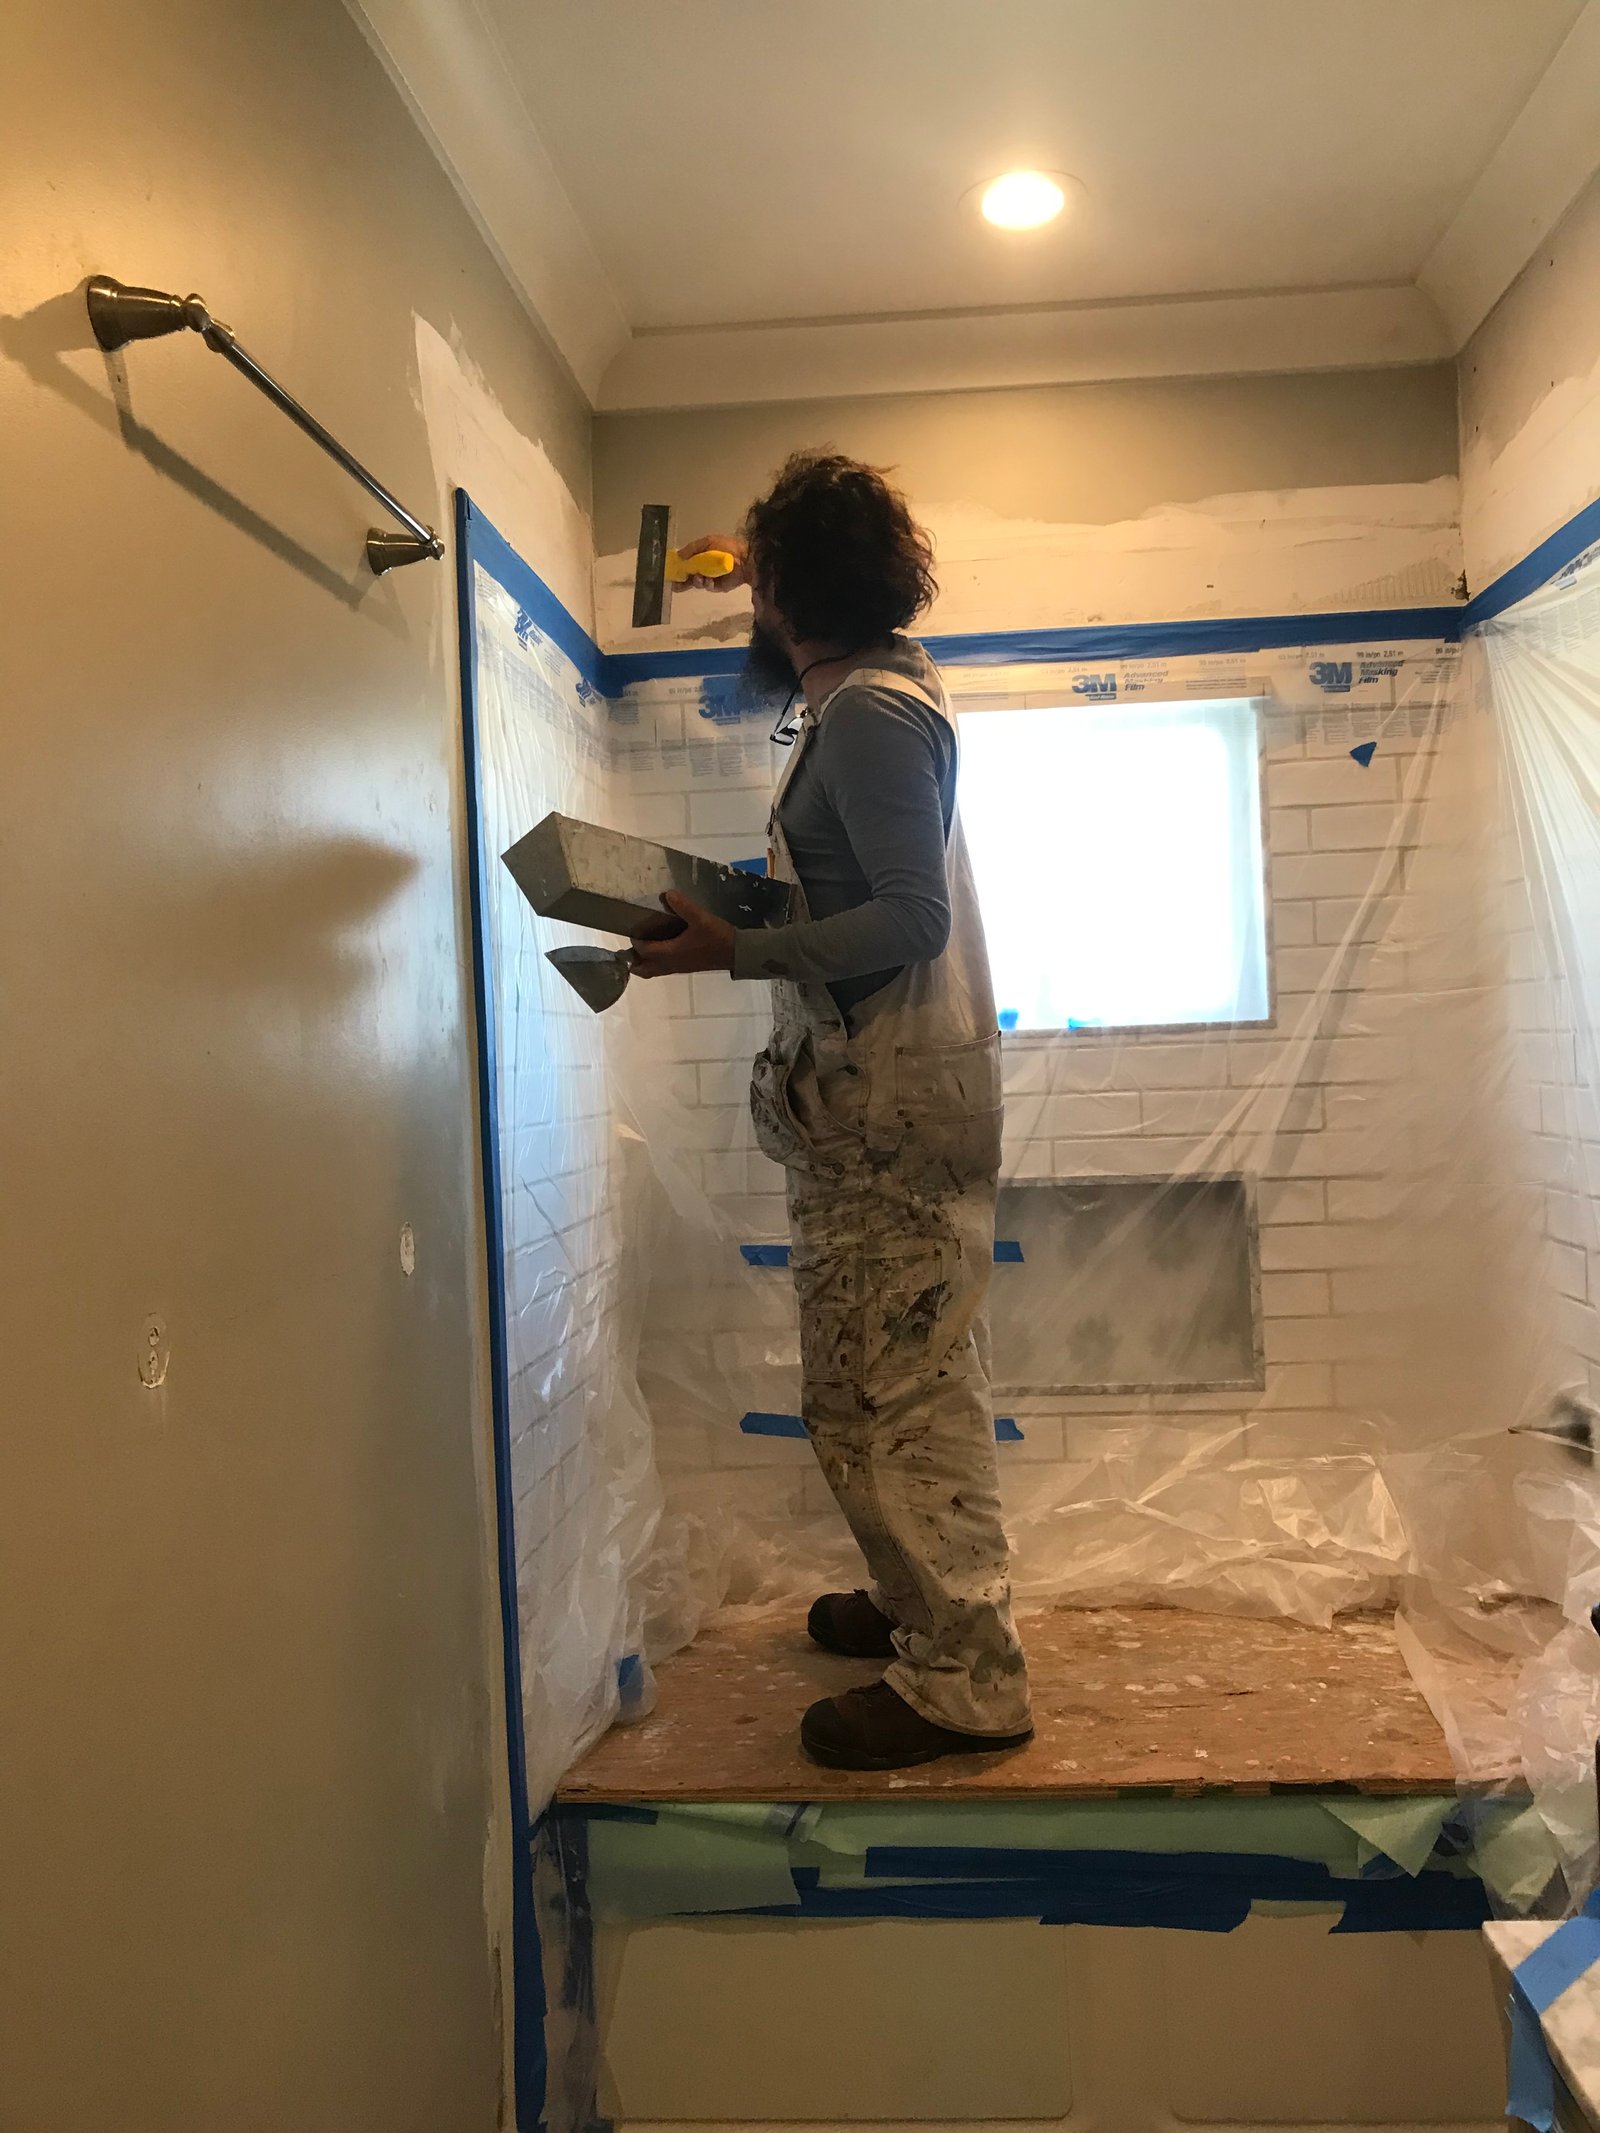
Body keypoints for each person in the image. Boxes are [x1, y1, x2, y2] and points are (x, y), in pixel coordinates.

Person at [629, 450, 1031, 1770]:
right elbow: (869, 908)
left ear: (792, 591)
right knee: (860, 1381)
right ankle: (916, 1603)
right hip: (876, 1100)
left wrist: (731, 950)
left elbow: (909, 919)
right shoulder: (872, 701)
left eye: (759, 580)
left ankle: (967, 1681)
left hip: (890, 1110)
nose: (750, 607)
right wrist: (743, 916)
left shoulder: (864, 712)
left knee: (901, 1388)